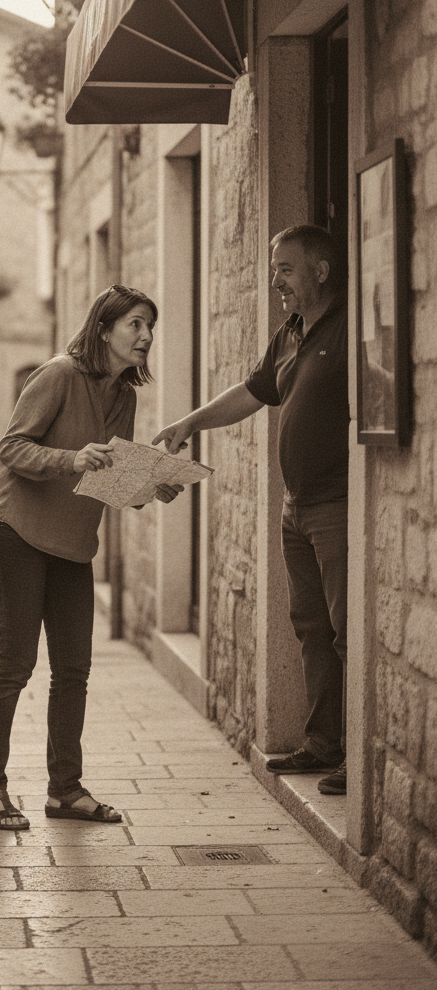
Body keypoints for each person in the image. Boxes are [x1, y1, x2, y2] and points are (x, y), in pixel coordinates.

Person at [0, 285, 182, 831]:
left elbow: (109, 479)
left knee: (73, 670)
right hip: (15, 530)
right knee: (15, 664)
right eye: (136, 324)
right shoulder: (59, 374)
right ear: (105, 328)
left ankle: (65, 791)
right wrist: (72, 458)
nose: (145, 336)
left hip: (71, 541)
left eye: (149, 327)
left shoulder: (125, 397)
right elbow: (12, 448)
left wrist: (149, 484)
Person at [154, 225, 349, 796]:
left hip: (337, 504)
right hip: (297, 506)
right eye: (272, 269)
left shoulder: (351, 326)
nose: (275, 281)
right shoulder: (289, 332)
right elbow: (253, 391)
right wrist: (192, 421)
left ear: (321, 270)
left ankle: (356, 758)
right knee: (310, 627)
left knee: (343, 629)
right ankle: (322, 743)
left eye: (286, 269)